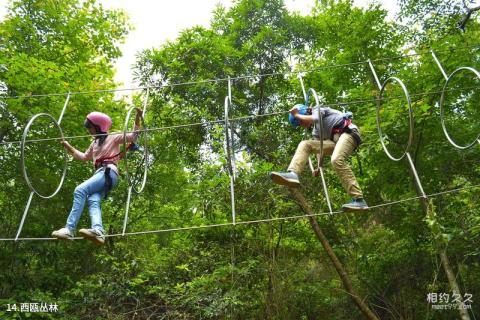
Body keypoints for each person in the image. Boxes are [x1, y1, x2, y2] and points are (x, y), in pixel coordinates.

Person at [52, 109, 143, 244]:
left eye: (91, 128)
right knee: (93, 200)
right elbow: (83, 157)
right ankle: (98, 231)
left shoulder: (113, 137)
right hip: (102, 175)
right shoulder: (94, 143)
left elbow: (133, 136)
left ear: (99, 127)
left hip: (108, 172)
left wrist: (137, 117)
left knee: (80, 190)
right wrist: (68, 146)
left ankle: (69, 229)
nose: (89, 131)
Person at [270, 104, 368, 212]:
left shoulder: (318, 109)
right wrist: (318, 167)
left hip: (348, 133)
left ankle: (358, 199)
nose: (302, 125)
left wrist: (296, 115)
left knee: (336, 160)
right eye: (299, 124)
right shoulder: (315, 132)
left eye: (300, 121)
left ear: (306, 112)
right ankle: (293, 173)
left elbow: (315, 118)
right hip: (335, 142)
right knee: (305, 144)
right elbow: (320, 149)